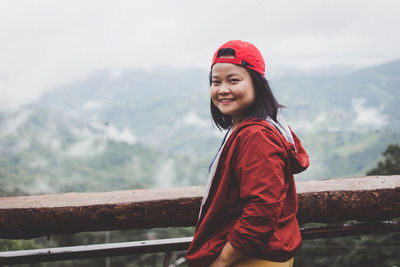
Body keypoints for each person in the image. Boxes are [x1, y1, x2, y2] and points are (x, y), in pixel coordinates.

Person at [186, 40, 310, 267]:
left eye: (234, 80)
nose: (222, 89)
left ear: (257, 84)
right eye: (216, 82)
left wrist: (222, 261)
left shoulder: (256, 137)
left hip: (252, 259)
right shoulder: (252, 127)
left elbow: (261, 212)